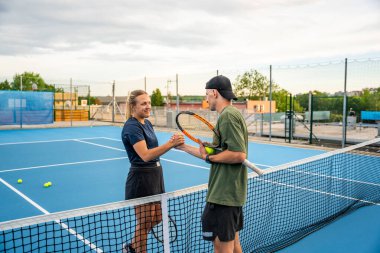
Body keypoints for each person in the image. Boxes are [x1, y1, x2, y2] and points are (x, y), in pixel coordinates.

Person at [176, 75, 248, 253]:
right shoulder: (231, 114)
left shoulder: (228, 117)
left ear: (215, 92)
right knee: (233, 244)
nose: (206, 98)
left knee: (221, 245)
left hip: (224, 194)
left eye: (207, 94)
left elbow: (238, 154)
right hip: (228, 193)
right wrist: (185, 147)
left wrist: (210, 157)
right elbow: (223, 153)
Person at [121, 90, 184, 253]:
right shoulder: (131, 127)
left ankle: (131, 247)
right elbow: (146, 155)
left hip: (155, 176)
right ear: (133, 107)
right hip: (141, 180)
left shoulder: (146, 123)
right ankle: (136, 250)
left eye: (149, 103)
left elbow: (152, 149)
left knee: (156, 218)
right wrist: (170, 144)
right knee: (143, 225)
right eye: (143, 103)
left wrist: (170, 143)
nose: (148, 106)